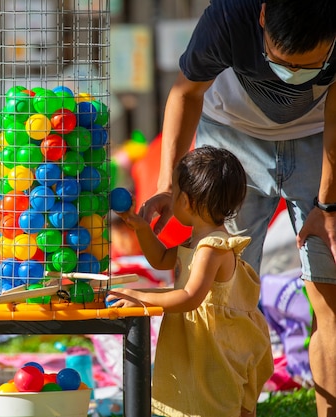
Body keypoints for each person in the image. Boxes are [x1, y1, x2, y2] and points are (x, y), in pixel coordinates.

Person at [140, 1, 336, 414]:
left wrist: (328, 204)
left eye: (311, 66)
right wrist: (168, 187)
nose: (294, 77)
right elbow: (185, 92)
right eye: (284, 63)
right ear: (263, 17)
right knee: (218, 299)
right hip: (232, 142)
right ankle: (214, 403)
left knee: (330, 298)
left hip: (318, 140)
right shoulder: (229, 17)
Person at [107, 146, 274, 417]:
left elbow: (189, 297)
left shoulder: (212, 248)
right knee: (201, 402)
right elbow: (161, 259)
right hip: (201, 341)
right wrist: (141, 229)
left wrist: (139, 296)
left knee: (218, 404)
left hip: (216, 346)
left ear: (186, 201)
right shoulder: (197, 241)